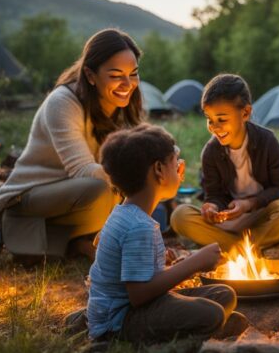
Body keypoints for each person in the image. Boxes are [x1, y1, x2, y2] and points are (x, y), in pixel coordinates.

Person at [0, 29, 143, 261]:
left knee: (146, 200)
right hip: (29, 199)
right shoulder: (63, 102)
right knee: (107, 190)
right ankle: (40, 243)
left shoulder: (123, 103)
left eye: (133, 74)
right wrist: (137, 180)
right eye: (116, 75)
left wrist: (162, 162)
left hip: (76, 201)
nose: (128, 84)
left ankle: (75, 244)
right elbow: (82, 169)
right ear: (90, 75)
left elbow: (139, 148)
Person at [87, 124, 243, 343]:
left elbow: (132, 266)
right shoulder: (137, 225)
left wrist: (163, 260)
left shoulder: (127, 213)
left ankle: (208, 324)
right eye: (175, 162)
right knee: (212, 313)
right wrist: (195, 263)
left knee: (223, 294)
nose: (180, 168)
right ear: (159, 170)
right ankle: (178, 342)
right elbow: (139, 294)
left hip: (133, 308)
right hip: (119, 323)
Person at [170, 74, 279, 252]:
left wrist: (249, 204)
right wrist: (212, 206)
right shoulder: (211, 152)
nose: (215, 127)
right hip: (229, 221)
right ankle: (251, 248)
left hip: (263, 215)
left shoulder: (267, 140)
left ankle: (232, 248)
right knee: (179, 216)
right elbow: (214, 194)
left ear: (245, 113)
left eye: (222, 119)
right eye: (210, 119)